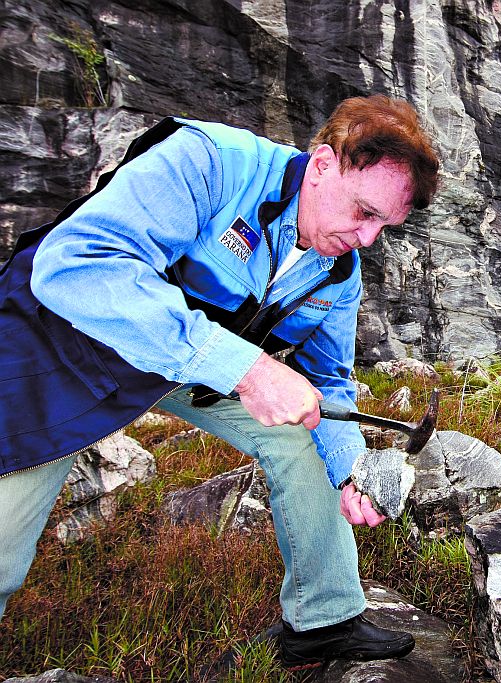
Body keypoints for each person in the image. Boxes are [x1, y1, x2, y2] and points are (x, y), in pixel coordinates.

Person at [0, 95, 440, 669]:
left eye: (385, 225)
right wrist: (251, 370)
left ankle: (324, 619)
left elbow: (328, 381)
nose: (367, 240)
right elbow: (75, 265)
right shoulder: (208, 163)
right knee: (4, 550)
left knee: (303, 430)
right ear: (324, 163)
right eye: (364, 212)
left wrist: (351, 467)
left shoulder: (338, 273)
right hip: (60, 339)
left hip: (187, 361)